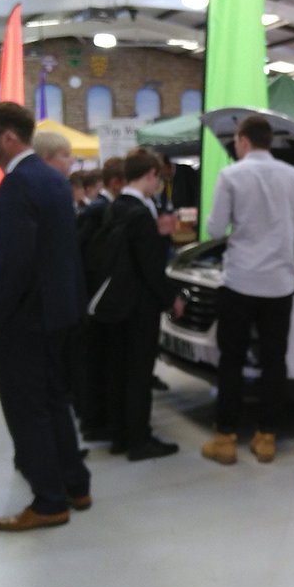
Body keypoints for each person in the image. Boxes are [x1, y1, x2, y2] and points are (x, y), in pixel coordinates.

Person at [0, 102, 89, 532]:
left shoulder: (20, 184)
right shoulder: (52, 179)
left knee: (29, 410)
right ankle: (75, 483)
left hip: (25, 315)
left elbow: (16, 262)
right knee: (53, 401)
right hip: (56, 310)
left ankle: (48, 500)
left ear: (8, 137)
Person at [201, 115, 294, 466]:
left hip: (240, 281)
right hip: (279, 284)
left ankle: (226, 437)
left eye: (236, 141)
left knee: (231, 360)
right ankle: (266, 437)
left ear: (243, 140)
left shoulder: (231, 175)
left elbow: (215, 227)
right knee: (273, 360)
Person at [92, 150, 184, 461]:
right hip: (139, 306)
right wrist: (171, 298)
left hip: (116, 303)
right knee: (139, 374)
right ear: (150, 175)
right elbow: (150, 267)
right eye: (158, 177)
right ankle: (139, 440)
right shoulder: (140, 214)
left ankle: (120, 435)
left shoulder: (116, 206)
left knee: (117, 371)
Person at [75, 158, 125, 441]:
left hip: (93, 295)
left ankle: (92, 416)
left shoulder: (99, 209)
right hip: (96, 296)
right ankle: (93, 420)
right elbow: (91, 257)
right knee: (95, 360)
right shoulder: (100, 211)